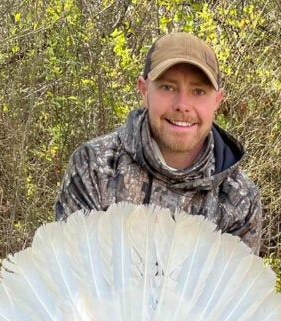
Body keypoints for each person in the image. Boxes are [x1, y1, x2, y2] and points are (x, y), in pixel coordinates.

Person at [55, 32, 262, 253]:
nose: (183, 105)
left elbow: (233, 285)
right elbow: (75, 274)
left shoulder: (238, 198)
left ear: (217, 101)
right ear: (144, 90)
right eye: (168, 87)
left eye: (198, 91)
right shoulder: (95, 167)